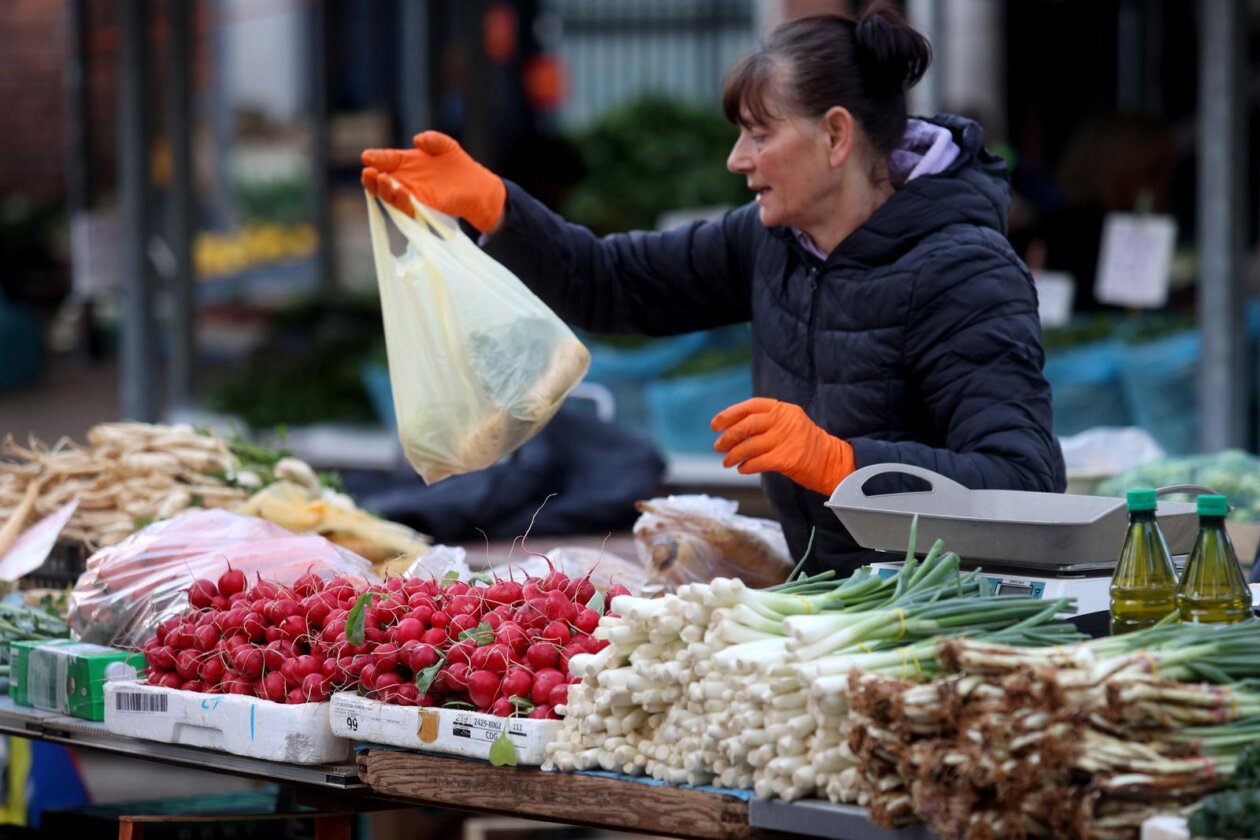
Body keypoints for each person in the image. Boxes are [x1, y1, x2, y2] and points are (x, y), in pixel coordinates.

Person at [360, 4, 1066, 575]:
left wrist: (842, 463)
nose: (737, 159)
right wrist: (495, 206)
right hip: (826, 598)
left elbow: (1024, 484)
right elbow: (613, 283)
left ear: (836, 136)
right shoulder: (770, 241)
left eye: (758, 134)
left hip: (945, 614)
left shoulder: (965, 272)